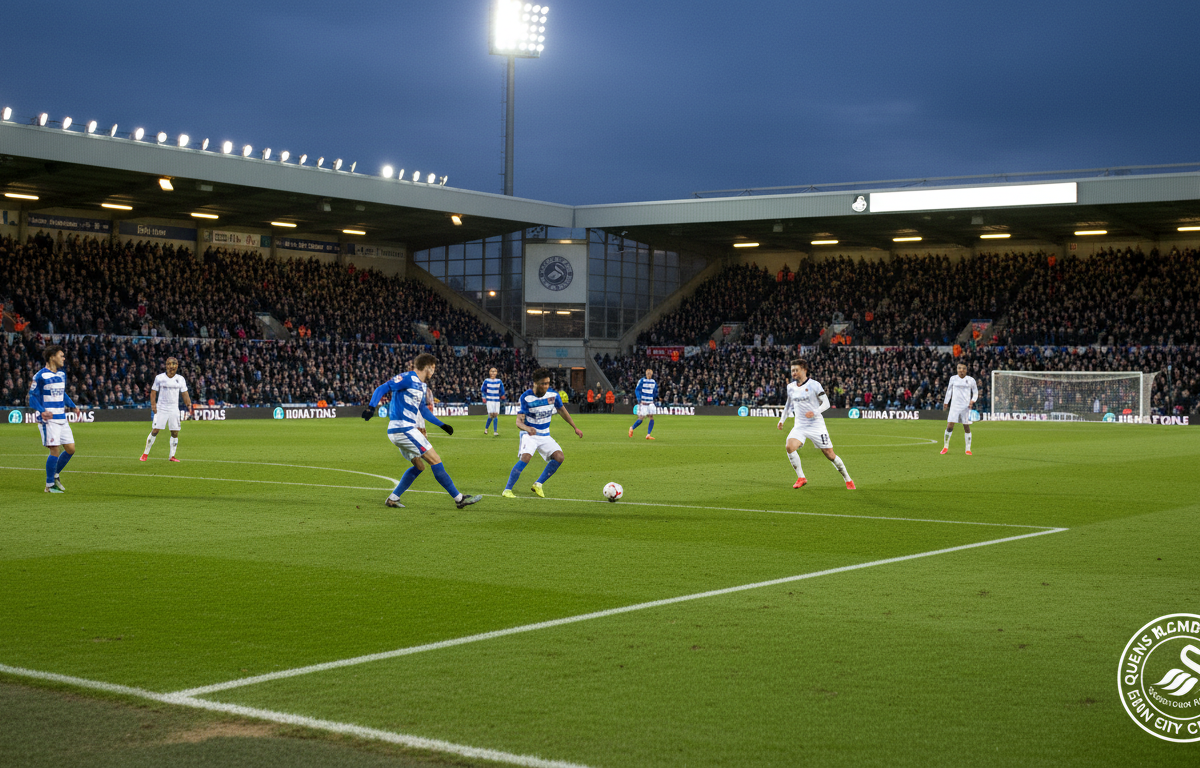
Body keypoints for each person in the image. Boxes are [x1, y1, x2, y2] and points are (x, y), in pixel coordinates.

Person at [363, 352, 482, 509]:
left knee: (420, 466)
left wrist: (442, 425)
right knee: (435, 459)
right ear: (427, 367)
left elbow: (423, 410)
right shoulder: (407, 378)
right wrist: (371, 408)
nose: (433, 371)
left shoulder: (422, 386)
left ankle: (393, 498)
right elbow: (382, 388)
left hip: (404, 430)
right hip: (403, 429)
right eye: (433, 368)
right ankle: (459, 499)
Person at [502, 368, 583, 498]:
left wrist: (575, 427)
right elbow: (518, 421)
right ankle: (507, 490)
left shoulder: (553, 395)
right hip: (530, 435)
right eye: (543, 383)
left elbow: (562, 410)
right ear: (535, 383)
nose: (545, 386)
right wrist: (527, 429)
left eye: (547, 383)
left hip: (545, 435)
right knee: (526, 457)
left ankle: (538, 484)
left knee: (559, 457)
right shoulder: (526, 397)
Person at [776, 358, 855, 490]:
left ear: (804, 370)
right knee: (789, 446)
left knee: (830, 454)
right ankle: (801, 477)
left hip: (816, 426)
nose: (793, 373)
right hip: (800, 425)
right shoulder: (790, 387)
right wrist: (782, 420)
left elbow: (826, 403)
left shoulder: (814, 385)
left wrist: (815, 412)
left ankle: (848, 479)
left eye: (796, 370)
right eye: (792, 371)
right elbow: (788, 404)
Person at [30, 345, 81, 493]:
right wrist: (42, 411)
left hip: (62, 417)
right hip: (49, 419)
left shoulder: (61, 374)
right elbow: (32, 397)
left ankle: (55, 474)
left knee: (71, 449)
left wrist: (73, 406)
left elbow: (62, 394)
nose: (64, 358)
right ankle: (49, 484)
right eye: (61, 355)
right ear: (52, 357)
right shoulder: (40, 376)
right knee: (55, 450)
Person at [141, 357, 194, 462]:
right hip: (161, 408)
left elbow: (184, 393)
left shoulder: (180, 379)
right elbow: (153, 392)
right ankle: (145, 453)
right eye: (169, 364)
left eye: (174, 364)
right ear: (166, 365)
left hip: (174, 409)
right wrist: (153, 405)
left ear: (177, 365)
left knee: (175, 432)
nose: (171, 366)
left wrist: (189, 405)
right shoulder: (159, 378)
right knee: (155, 430)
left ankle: (172, 456)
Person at [941, 362, 979, 455]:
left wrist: (972, 401)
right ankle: (945, 447)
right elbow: (949, 391)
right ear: (957, 369)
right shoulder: (953, 379)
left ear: (966, 370)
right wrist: (946, 402)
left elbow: (975, 392)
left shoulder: (971, 380)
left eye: (963, 368)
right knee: (950, 426)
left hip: (965, 406)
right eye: (959, 368)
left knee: (966, 426)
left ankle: (968, 449)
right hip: (954, 406)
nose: (961, 370)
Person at [628, 368, 659, 440]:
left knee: (651, 417)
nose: (649, 374)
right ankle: (632, 428)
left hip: (650, 403)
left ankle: (648, 434)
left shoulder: (653, 382)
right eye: (648, 373)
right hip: (643, 403)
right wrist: (639, 399)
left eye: (650, 373)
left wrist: (653, 398)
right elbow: (637, 390)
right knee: (641, 418)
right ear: (646, 373)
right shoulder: (642, 381)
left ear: (651, 374)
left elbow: (655, 391)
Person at [481, 366, 506, 435]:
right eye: (492, 371)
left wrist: (502, 396)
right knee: (491, 415)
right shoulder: (486, 381)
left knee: (495, 415)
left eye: (494, 371)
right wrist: (484, 397)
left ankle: (495, 431)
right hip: (489, 400)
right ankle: (486, 429)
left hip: (496, 400)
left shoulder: (499, 381)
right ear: (489, 372)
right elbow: (483, 390)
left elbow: (502, 390)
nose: (493, 372)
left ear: (496, 373)